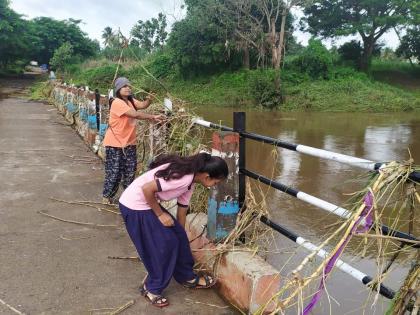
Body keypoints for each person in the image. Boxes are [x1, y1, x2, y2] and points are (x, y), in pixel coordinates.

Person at [118, 152, 228, 308]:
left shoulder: (191, 181)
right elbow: (147, 189)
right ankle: (151, 288)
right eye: (216, 182)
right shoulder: (183, 178)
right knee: (167, 245)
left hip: (146, 203)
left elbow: (182, 210)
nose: (215, 186)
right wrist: (161, 214)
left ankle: (186, 277)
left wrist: (180, 234)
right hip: (134, 205)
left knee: (178, 238)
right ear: (207, 177)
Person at [102, 77, 163, 204]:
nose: (128, 88)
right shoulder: (116, 102)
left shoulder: (130, 101)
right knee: (115, 172)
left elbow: (142, 106)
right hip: (115, 143)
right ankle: (107, 197)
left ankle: (127, 198)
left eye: (129, 86)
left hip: (129, 143)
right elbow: (135, 115)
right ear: (118, 89)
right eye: (125, 86)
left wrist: (149, 99)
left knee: (130, 171)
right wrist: (152, 117)